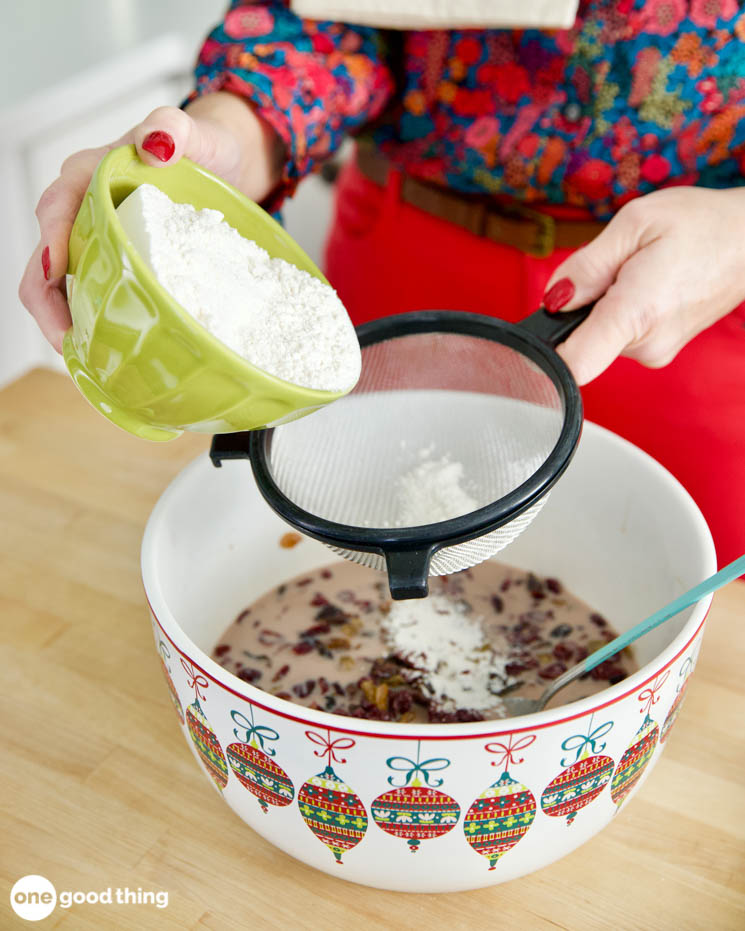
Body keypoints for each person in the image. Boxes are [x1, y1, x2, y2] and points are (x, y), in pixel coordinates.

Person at [19, 1, 745, 567]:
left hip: (693, 289)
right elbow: (330, 23)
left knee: (685, 593)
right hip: (403, 271)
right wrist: (232, 136)